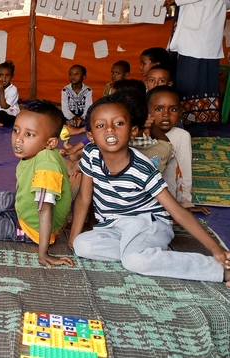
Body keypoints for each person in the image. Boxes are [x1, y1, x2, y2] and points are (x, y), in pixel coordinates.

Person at [69, 92, 230, 286]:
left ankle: (217, 270)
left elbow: (176, 212)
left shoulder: (142, 168)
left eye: (119, 123)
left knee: (135, 260)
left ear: (133, 131)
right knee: (82, 245)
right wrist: (72, 239)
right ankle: (152, 254)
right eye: (101, 125)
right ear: (91, 136)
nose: (110, 130)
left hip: (149, 223)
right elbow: (84, 198)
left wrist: (215, 249)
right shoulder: (90, 154)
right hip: (113, 225)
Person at [0, 100, 75, 269]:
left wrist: (43, 252)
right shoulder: (37, 153)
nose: (18, 139)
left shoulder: (46, 164)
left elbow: (45, 208)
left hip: (34, 228)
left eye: (29, 134)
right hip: (23, 205)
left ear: (50, 143)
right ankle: (2, 213)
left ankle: (12, 224)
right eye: (16, 130)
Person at [146, 85, 211, 214]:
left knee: (171, 165)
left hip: (168, 197)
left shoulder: (182, 136)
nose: (166, 114)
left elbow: (184, 170)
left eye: (173, 109)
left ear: (180, 113)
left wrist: (185, 202)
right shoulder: (140, 133)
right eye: (159, 109)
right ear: (147, 112)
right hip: (142, 195)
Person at [166, 0, 226, 136]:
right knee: (183, 82)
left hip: (200, 36)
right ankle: (185, 126)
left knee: (194, 81)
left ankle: (198, 129)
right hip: (192, 31)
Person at [61, 64, 93, 129]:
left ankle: (78, 124)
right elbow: (65, 108)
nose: (73, 76)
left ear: (84, 76)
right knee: (60, 118)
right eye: (71, 74)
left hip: (83, 117)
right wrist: (73, 117)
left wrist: (81, 118)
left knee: (91, 119)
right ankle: (75, 124)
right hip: (69, 117)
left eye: (76, 74)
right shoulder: (65, 90)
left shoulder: (88, 90)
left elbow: (88, 107)